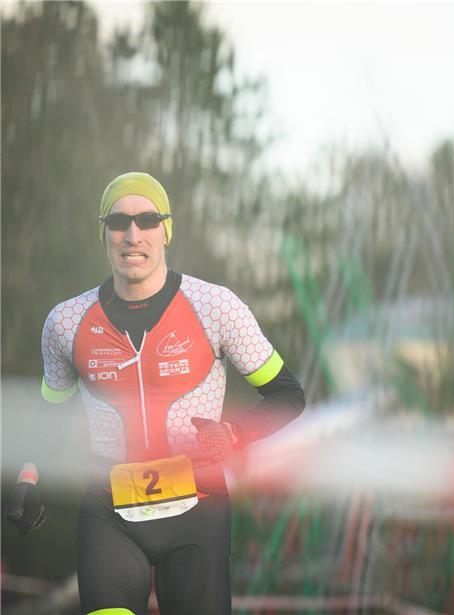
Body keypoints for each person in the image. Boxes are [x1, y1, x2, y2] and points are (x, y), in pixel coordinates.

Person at [5, 172, 305, 615]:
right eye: (119, 221)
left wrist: (234, 434)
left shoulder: (216, 307)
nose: (133, 234)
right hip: (108, 515)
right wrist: (28, 479)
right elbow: (48, 416)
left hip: (197, 516)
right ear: (104, 233)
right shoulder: (66, 323)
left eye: (147, 219)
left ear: (166, 230)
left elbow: (288, 395)